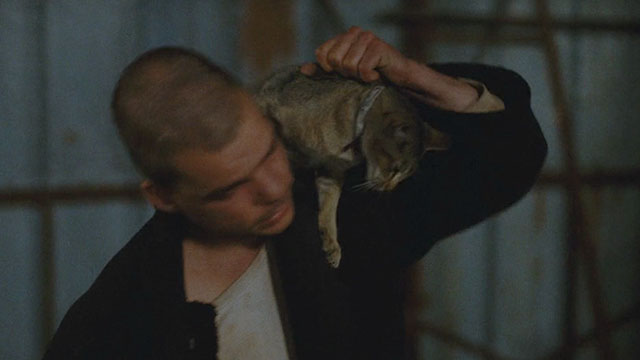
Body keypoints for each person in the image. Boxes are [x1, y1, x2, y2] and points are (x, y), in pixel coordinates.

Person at [43, 27, 547, 359]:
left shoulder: (342, 219)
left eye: (268, 152)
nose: (272, 189)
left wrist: (417, 79)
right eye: (231, 188)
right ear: (164, 196)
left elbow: (505, 165)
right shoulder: (112, 323)